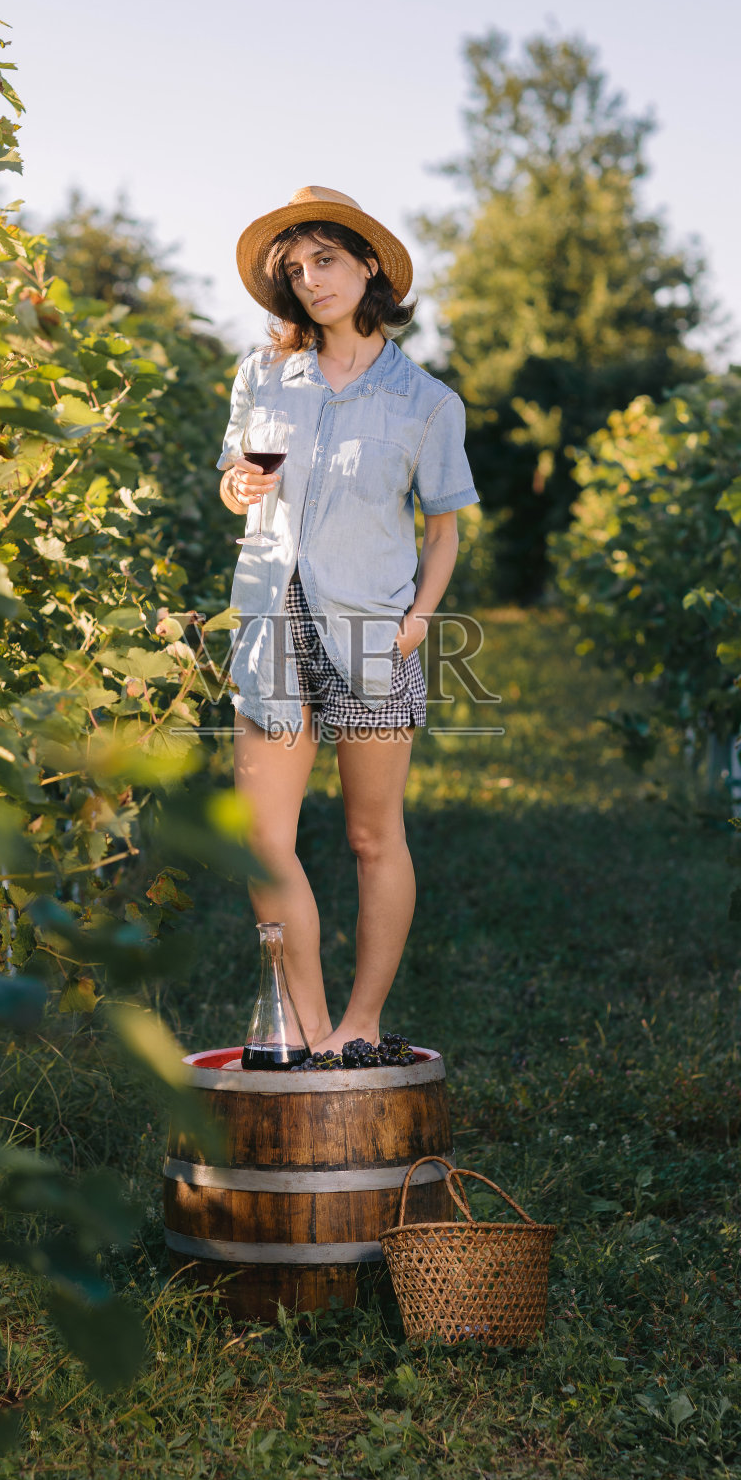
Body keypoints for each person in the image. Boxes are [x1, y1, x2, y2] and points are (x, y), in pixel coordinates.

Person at [217, 186, 478, 1055]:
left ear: (369, 265)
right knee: (264, 841)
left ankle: (361, 1024)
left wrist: (420, 622)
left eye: (324, 259)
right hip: (271, 623)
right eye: (293, 269)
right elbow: (233, 478)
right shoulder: (261, 376)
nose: (310, 280)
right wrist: (237, 485)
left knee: (372, 836)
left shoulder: (428, 403)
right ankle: (309, 1024)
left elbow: (442, 534)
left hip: (375, 630)